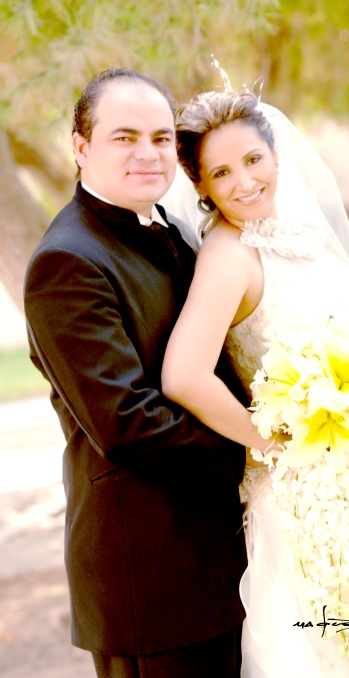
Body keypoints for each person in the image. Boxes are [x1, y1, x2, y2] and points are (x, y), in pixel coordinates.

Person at [161, 89, 349, 676]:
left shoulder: (307, 238)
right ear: (201, 188)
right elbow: (183, 374)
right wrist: (268, 443)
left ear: (275, 155)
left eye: (252, 160)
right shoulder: (228, 257)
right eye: (221, 172)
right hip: (303, 503)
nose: (244, 181)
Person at [23, 68, 250, 678]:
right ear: (80, 147)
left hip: (212, 560)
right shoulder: (67, 262)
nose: (148, 154)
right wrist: (257, 456)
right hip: (150, 579)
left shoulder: (166, 228)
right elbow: (127, 423)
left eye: (159, 138)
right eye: (124, 138)